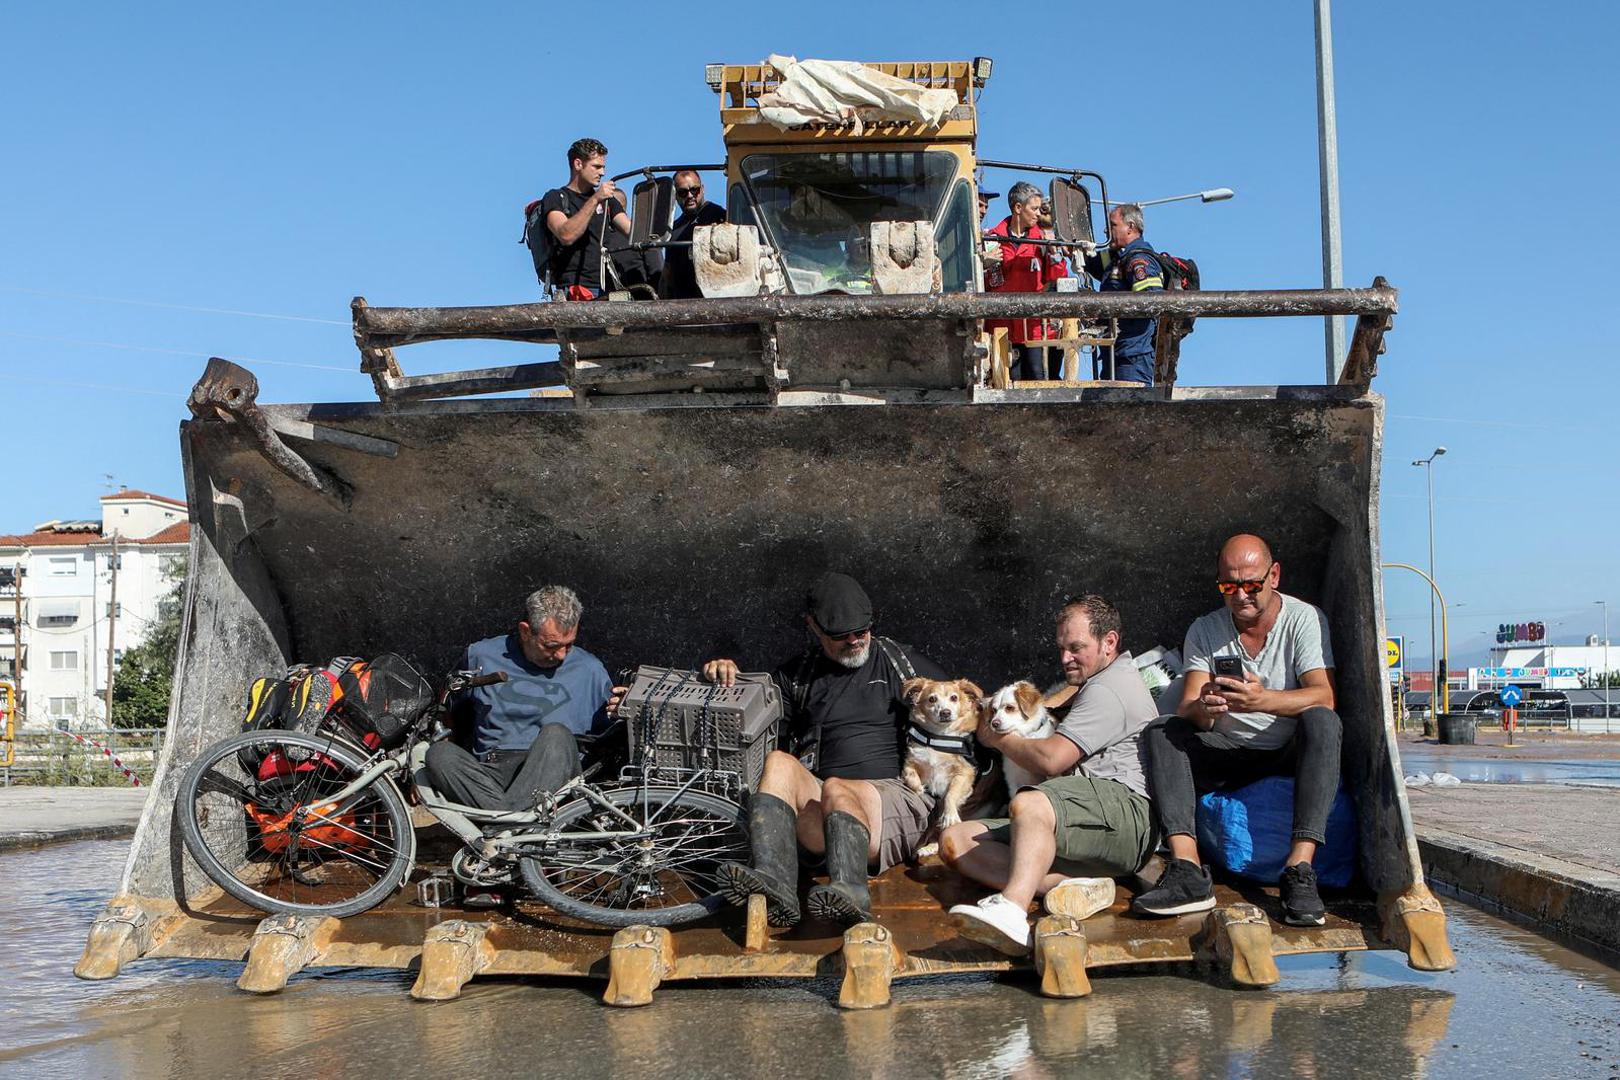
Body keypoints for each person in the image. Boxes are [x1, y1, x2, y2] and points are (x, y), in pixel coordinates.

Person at [704, 572, 950, 928]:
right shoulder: (796, 675)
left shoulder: (904, 666)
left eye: (861, 632)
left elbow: (964, 716)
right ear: (813, 627)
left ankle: (851, 891)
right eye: (840, 635)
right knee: (779, 762)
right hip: (823, 810)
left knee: (838, 787)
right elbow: (753, 721)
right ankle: (776, 882)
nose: (854, 641)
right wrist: (726, 680)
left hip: (893, 803)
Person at [1132, 533, 1341, 926]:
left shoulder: (1303, 619)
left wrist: (1262, 701)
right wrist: (1207, 707)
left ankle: (1299, 870)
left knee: (1322, 720)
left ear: (1274, 576)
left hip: (1286, 751)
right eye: (1230, 586)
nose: (1241, 595)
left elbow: (1325, 695)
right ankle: (1188, 871)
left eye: (1251, 585)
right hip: (1226, 749)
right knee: (1163, 730)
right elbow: (1189, 706)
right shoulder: (1205, 629)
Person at [940, 596, 1159, 954]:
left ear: (1110, 642)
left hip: (1123, 816)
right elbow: (1047, 708)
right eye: (1061, 648)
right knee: (957, 841)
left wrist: (998, 738)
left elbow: (1052, 760)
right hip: (1083, 816)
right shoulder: (1094, 682)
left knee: (1030, 802)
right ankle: (1070, 887)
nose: (1065, 658)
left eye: (1076, 648)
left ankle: (1012, 907)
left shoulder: (1109, 688)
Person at [424, 585, 623, 812]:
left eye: (569, 645)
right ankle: (514, 827)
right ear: (525, 631)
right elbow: (450, 710)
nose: (561, 654)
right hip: (492, 773)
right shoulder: (481, 656)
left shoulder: (590, 669)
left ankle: (505, 827)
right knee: (439, 754)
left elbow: (610, 735)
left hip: (553, 775)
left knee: (556, 733)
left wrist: (620, 711)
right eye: (552, 645)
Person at [985, 182, 1068, 381]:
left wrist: (1054, 253)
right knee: (1003, 383)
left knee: (1037, 379)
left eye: (1040, 209)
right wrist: (984, 263)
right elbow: (985, 283)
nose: (1038, 214)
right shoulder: (992, 239)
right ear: (1018, 208)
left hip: (1033, 329)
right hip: (1001, 328)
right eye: (1034, 208)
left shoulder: (1041, 241)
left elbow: (1058, 277)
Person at [540, 138, 632, 299]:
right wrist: (595, 199)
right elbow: (566, 235)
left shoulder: (608, 201)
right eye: (596, 167)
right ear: (578, 164)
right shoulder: (555, 198)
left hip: (608, 288)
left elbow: (633, 231)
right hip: (574, 291)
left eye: (603, 167)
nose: (602, 173)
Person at [1081, 203, 1162, 385]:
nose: (1106, 231)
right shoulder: (1117, 257)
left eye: (1112, 225)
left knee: (1131, 411)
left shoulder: (1139, 259)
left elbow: (1153, 302)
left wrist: (1109, 310)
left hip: (1132, 357)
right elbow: (1091, 263)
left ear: (1130, 227)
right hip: (1115, 354)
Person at [659, 169, 727, 300]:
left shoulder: (720, 216)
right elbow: (667, 273)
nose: (689, 195)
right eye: (683, 192)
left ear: (702, 189)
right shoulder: (673, 229)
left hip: (714, 301)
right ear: (675, 196)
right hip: (681, 305)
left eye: (694, 190)